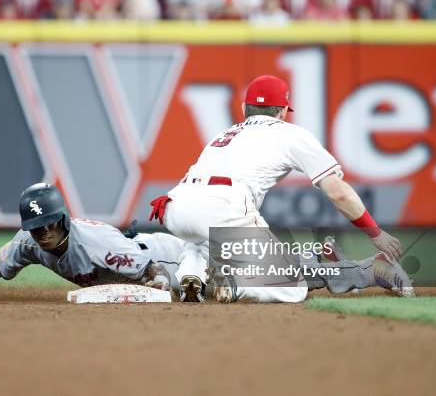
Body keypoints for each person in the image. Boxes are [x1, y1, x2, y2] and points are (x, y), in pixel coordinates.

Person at [149, 75, 413, 303]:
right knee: (293, 288)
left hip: (176, 206)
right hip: (222, 207)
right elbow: (339, 192)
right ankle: (235, 283)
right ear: (283, 111)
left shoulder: (224, 134)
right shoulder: (290, 133)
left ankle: (191, 276)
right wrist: (375, 233)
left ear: (244, 108)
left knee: (205, 238)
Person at [0, 183, 183, 298]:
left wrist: (160, 283)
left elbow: (152, 267)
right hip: (141, 259)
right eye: (35, 227)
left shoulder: (97, 243)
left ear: (62, 220)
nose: (43, 232)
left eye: (48, 223)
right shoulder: (28, 242)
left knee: (214, 285)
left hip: (170, 256)